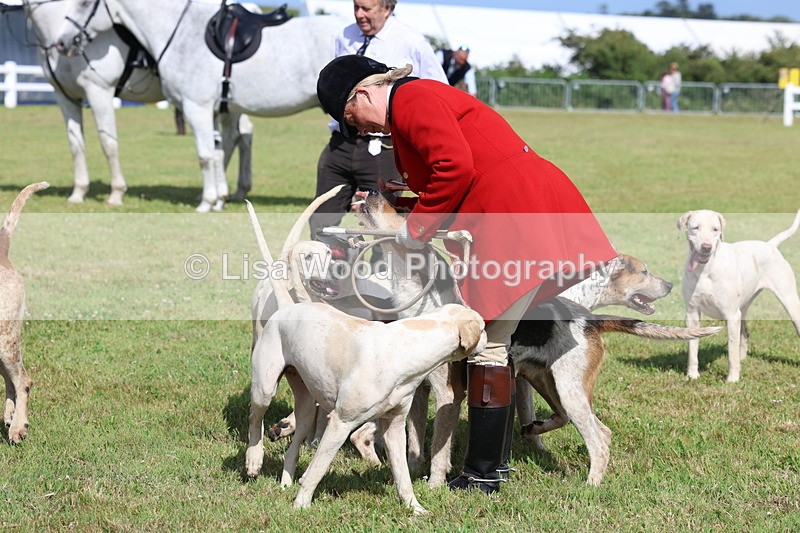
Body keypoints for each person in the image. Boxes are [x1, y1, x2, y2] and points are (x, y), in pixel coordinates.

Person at [316, 55, 617, 494]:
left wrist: (413, 232)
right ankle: (495, 464)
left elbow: (454, 168)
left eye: (352, 119)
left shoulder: (412, 98)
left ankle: (482, 474)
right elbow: (457, 168)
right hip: (513, 206)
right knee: (497, 340)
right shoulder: (412, 104)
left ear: (361, 93)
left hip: (511, 212)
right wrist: (409, 201)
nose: (360, 131)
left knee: (489, 342)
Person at [308, 0, 447, 238]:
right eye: (355, 7)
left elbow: (438, 90)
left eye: (367, 8)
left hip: (385, 148)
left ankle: (383, 274)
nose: (359, 15)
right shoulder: (345, 35)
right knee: (322, 217)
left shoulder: (412, 41)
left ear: (387, 9)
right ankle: (330, 270)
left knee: (383, 224)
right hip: (342, 141)